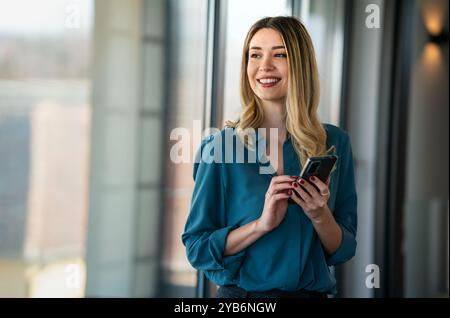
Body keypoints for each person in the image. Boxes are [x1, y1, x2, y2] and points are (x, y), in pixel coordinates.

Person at [182, 16, 357, 298]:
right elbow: (197, 247)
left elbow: (344, 249)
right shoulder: (219, 148)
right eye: (255, 55)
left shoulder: (334, 144)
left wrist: (318, 214)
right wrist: (261, 225)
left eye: (279, 54)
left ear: (301, 65)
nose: (264, 66)